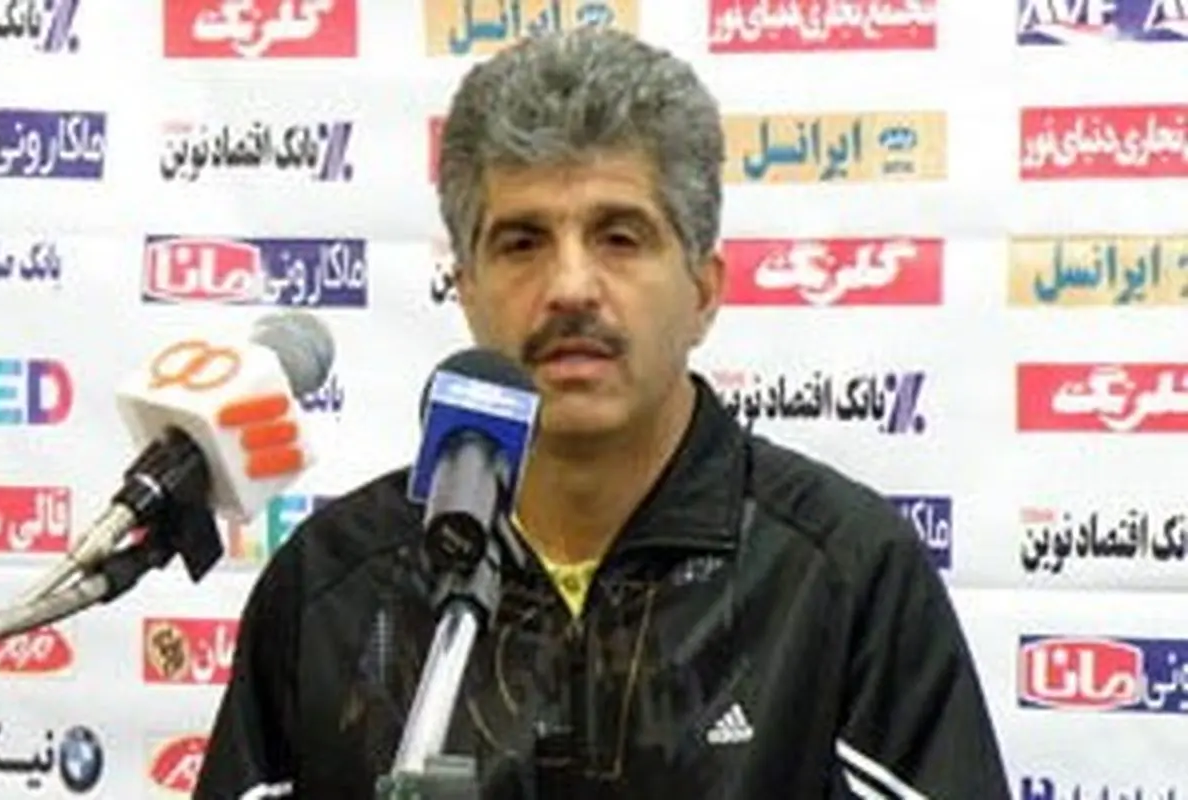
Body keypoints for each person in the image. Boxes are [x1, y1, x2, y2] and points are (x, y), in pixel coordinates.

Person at [195, 28, 1011, 799]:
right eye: (522, 243)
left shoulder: (840, 577)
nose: (571, 287)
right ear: (465, 288)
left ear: (704, 291)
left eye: (620, 237)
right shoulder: (336, 588)